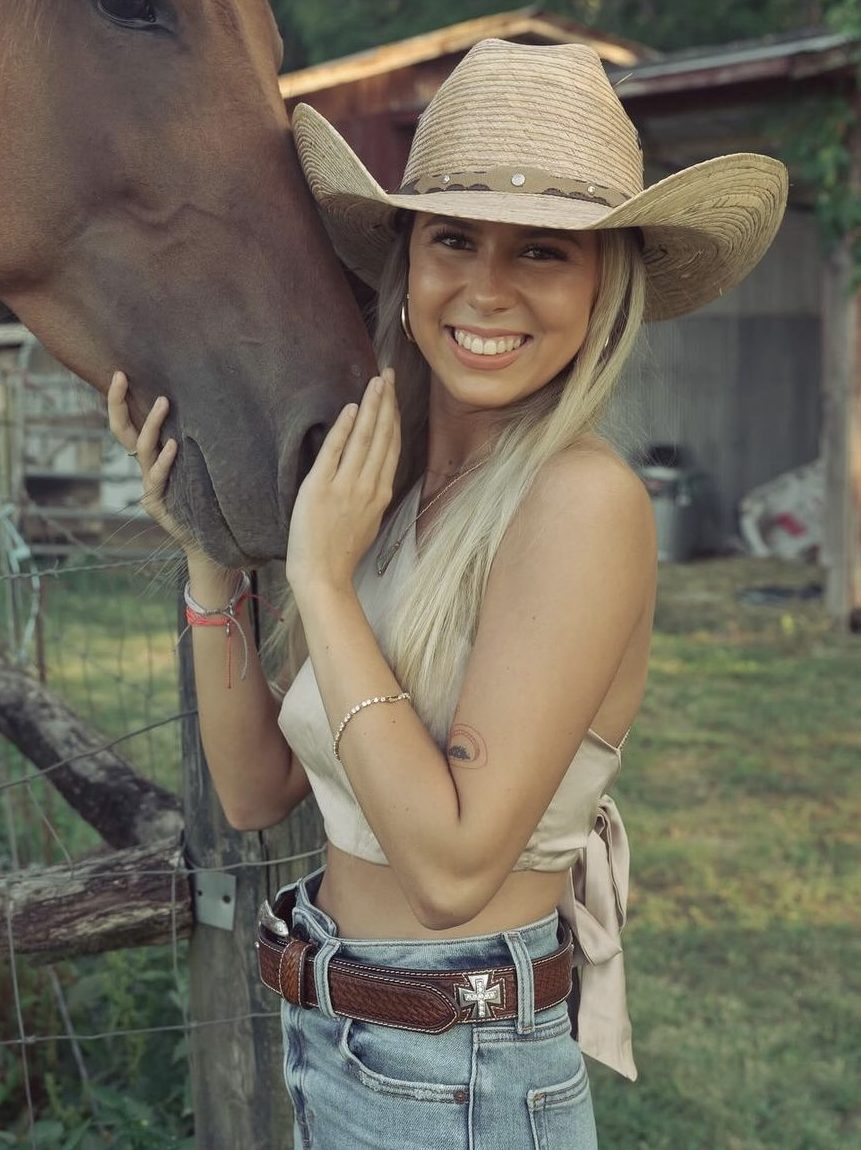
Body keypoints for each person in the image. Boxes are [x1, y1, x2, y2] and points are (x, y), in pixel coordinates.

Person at [108, 38, 787, 1150]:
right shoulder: (396, 485)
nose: (486, 288)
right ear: (407, 259)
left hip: (460, 1069)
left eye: (545, 253)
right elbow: (254, 787)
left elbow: (454, 869)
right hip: (343, 1040)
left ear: (604, 281)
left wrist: (322, 579)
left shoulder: (581, 502)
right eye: (454, 238)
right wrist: (212, 557)